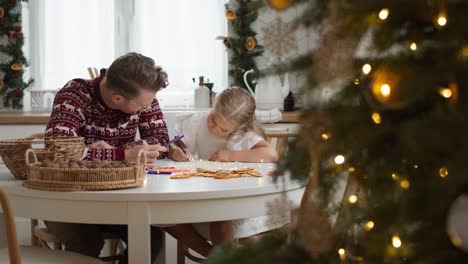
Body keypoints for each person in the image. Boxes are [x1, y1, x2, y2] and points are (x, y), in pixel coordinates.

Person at [45, 52, 169, 263]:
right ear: (117, 98)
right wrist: (122, 154)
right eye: (142, 107)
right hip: (70, 199)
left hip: (121, 200)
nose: (147, 108)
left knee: (152, 236)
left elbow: (160, 139)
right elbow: (58, 150)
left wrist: (112, 151)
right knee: (87, 240)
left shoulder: (143, 95)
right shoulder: (74, 95)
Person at [166, 87, 283, 257]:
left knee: (220, 215)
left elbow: (271, 154)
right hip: (196, 197)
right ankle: (214, 255)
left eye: (223, 129)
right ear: (214, 105)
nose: (214, 127)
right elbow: (174, 144)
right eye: (213, 118)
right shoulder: (195, 122)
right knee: (164, 217)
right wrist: (173, 150)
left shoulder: (240, 134)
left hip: (232, 202)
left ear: (237, 128)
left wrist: (230, 154)